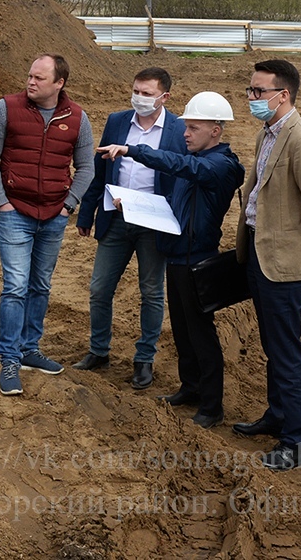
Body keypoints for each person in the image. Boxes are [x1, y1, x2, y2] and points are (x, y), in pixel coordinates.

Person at [95, 92, 244, 428]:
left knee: (201, 334)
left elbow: (182, 166)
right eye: (185, 127)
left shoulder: (217, 165)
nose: (185, 133)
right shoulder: (199, 157)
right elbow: (172, 201)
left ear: (215, 131)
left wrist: (133, 150)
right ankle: (190, 388)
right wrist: (133, 205)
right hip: (177, 256)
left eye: (193, 128)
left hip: (197, 259)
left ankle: (211, 406)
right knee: (182, 330)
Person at [233, 59, 301, 471]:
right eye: (250, 91)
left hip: (285, 263)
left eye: (258, 92)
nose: (252, 98)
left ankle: (296, 441)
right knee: (274, 346)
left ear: (283, 95)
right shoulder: (268, 133)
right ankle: (278, 416)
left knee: (287, 351)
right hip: (260, 253)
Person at [0, 54, 95, 394]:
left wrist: (68, 206)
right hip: (15, 212)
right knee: (15, 286)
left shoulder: (76, 118)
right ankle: (10, 359)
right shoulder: (7, 108)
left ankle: (30, 349)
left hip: (54, 216)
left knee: (40, 286)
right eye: (29, 76)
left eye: (39, 78)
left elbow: (86, 167)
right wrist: (2, 203)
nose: (30, 82)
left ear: (59, 84)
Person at [74, 68, 185, 390]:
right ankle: (99, 351)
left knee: (151, 292)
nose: (140, 98)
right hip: (117, 218)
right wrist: (86, 214)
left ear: (164, 97)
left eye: (147, 94)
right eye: (136, 90)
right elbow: (101, 171)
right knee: (99, 289)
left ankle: (144, 359)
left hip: (154, 222)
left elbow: (181, 175)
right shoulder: (117, 121)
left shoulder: (178, 130)